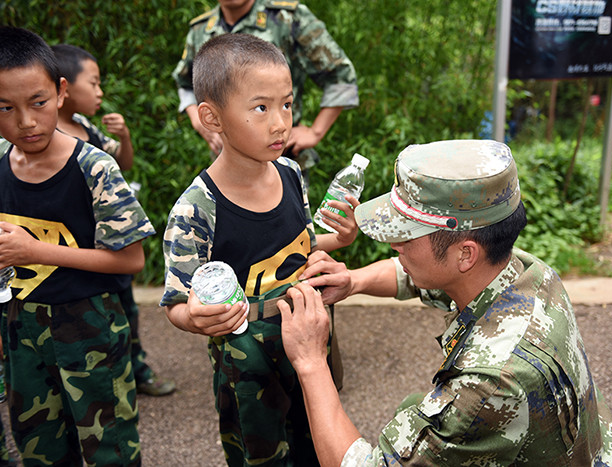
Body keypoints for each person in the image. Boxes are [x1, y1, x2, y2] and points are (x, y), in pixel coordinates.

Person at [279, 139, 612, 466]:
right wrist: (354, 281)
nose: (395, 243)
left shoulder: (490, 384)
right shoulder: (526, 271)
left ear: (466, 254)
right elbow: (415, 274)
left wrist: (311, 361)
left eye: (408, 234)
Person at [160, 33, 359, 466]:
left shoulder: (289, 173)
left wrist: (340, 239)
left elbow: (300, 244)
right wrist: (195, 317)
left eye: (286, 104)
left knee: (318, 439)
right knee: (260, 455)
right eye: (260, 108)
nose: (280, 123)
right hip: (246, 361)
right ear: (211, 117)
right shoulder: (197, 209)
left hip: (308, 336)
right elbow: (176, 303)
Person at [0, 27, 154, 466]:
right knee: (39, 448)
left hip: (91, 331)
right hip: (20, 331)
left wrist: (36, 252)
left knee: (110, 449)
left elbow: (131, 259)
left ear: (61, 92)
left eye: (38, 102)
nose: (25, 121)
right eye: (5, 108)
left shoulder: (93, 167)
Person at [51, 43, 176, 397]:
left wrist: (124, 136)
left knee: (126, 308)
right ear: (63, 87)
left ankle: (136, 369)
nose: (100, 92)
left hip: (111, 243)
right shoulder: (44, 138)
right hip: (75, 250)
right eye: (93, 83)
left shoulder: (85, 127)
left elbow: (124, 162)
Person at [172, 0, 359, 181]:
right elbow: (185, 82)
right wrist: (199, 122)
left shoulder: (287, 17)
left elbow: (341, 75)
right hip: (228, 167)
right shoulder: (201, 30)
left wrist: (315, 132)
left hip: (282, 160)